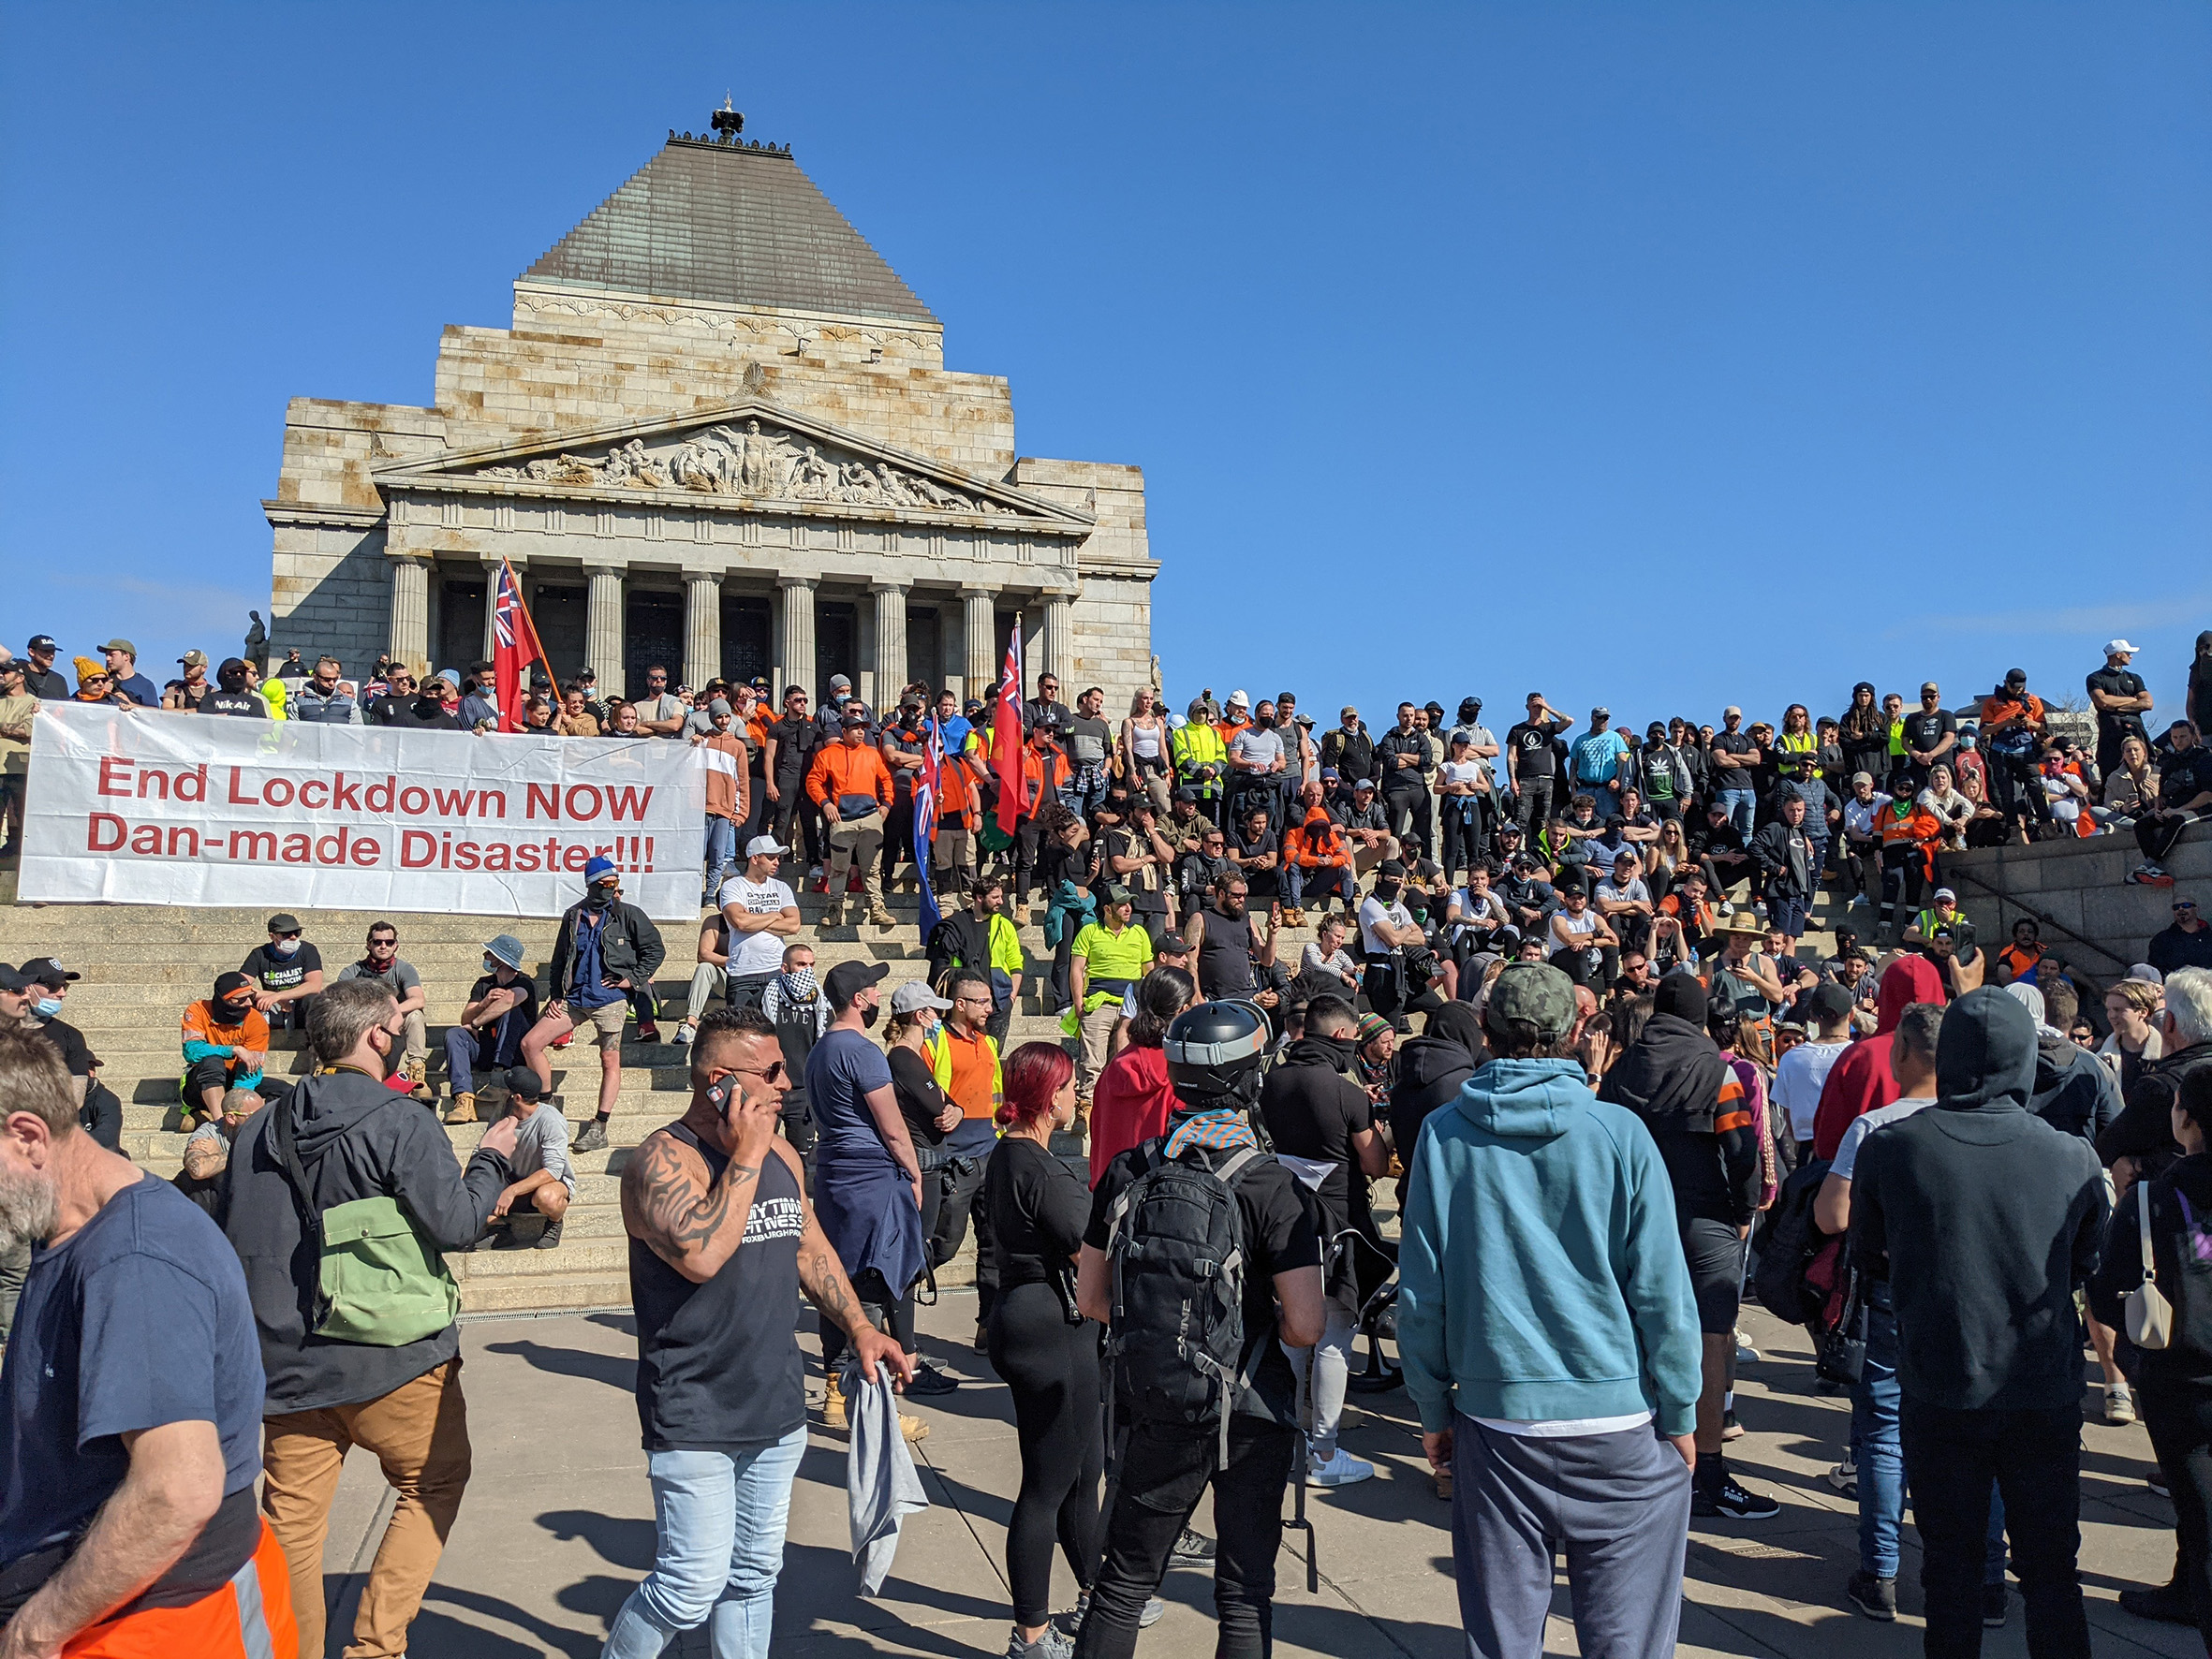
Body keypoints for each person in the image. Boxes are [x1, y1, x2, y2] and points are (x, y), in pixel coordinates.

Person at [1395, 962, 1700, 1659]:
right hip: (1619, 1416)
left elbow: (1422, 1296)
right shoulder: (1619, 1133)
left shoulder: (1445, 1135)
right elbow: (1661, 1293)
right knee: (1629, 1639)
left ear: (1488, 1034)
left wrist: (1433, 1412)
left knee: (1502, 1639)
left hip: (1499, 1419)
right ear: (1575, 1033)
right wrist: (1683, 1412)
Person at [220, 978, 521, 1659]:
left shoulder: (261, 1124)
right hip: (394, 1360)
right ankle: (376, 1647)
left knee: (291, 1529)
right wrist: (492, 1159)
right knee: (433, 1481)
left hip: (286, 1366)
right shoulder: (401, 1116)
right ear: (378, 1036)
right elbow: (458, 1223)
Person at [609, 1006, 910, 1659]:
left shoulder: (779, 1153)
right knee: (689, 1586)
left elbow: (806, 1243)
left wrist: (858, 1324)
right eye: (770, 1071)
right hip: (695, 1411)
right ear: (720, 1080)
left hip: (775, 1406)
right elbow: (701, 1255)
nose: (785, 1083)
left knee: (752, 1580)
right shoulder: (659, 1163)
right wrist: (744, 1152)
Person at [0, 1027, 297, 1659]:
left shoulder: (134, 1259)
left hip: (146, 1625)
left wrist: (34, 1634)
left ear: (26, 1136)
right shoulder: (68, 1232)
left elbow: (177, 1488)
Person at [1851, 987, 2104, 1659]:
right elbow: (2085, 1263)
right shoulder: (2071, 1155)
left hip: (1942, 1379)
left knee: (1951, 1572)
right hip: (2042, 1386)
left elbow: (1868, 1254)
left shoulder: (1893, 1148)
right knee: (2053, 1572)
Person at [1072, 1000, 1325, 1658]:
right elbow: (1304, 1325)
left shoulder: (1130, 1170)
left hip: (1158, 1400)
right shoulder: (1274, 1185)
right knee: (1243, 1595)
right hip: (1251, 1406)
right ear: (1250, 1078)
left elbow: (1092, 1298)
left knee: (1123, 1584)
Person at [1598, 973, 1776, 1520]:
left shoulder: (1622, 1069)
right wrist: (1744, 1208)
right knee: (1712, 1339)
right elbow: (1741, 1148)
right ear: (1701, 1016)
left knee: (1637, 1331)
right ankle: (1710, 1473)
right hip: (1704, 1216)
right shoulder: (1715, 1070)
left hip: (1633, 1215)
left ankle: (1640, 1456)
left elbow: (1603, 1134)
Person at [1809, 1003, 1948, 1622]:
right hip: (1970, 1297)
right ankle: (1990, 1579)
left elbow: (1830, 1217)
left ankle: (1881, 1573)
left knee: (1886, 1433)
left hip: (1893, 1290)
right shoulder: (1984, 1120)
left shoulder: (1876, 1128)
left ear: (1905, 1054)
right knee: (1977, 1434)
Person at [984, 1042, 1104, 1657]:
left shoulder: (1011, 1157)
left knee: (1082, 1471)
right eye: (1068, 1086)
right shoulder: (1037, 1166)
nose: (1076, 1094)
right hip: (1052, 1330)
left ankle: (1095, 1594)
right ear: (1047, 1096)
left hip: (1031, 1320)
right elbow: (1093, 1254)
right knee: (1045, 1487)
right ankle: (1030, 1634)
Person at [2088, 1064, 2212, 1650]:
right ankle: (2187, 1587)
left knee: (2196, 1501)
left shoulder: (2148, 1199)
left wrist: (2135, 1363)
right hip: (2180, 1376)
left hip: (2177, 1375)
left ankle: (2197, 1592)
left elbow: (2107, 1295)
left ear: (2184, 1119)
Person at [1259, 993, 1388, 1488]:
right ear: (1340, 1036)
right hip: (1338, 1223)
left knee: (1292, 1330)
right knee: (1334, 1336)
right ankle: (1324, 1452)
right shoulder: (1344, 1092)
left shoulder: (1270, 1080)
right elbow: (1375, 1163)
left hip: (1281, 1217)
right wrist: (1383, 1132)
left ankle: (1286, 1438)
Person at [803, 962, 932, 1439]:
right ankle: (873, 1409)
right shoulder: (862, 1050)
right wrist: (914, 1173)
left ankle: (838, 1390)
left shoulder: (820, 1050)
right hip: (871, 1176)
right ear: (859, 999)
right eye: (873, 990)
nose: (878, 996)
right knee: (873, 1287)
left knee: (837, 1282)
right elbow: (892, 1126)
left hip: (833, 1174)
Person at [524, 857, 667, 1154]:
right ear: (590, 885)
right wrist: (556, 995)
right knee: (530, 1043)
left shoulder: (628, 914)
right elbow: (559, 959)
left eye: (613, 883)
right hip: (574, 998)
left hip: (610, 1000)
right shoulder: (573, 915)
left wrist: (632, 980)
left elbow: (655, 949)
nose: (610, 888)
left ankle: (600, 1126)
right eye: (604, 884)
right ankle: (548, 1107)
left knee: (609, 1061)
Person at [1087, 966, 1194, 1185]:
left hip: (1109, 1195)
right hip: (1156, 1195)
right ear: (1183, 1010)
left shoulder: (1110, 1072)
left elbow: (1097, 1138)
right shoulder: (1179, 1075)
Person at [461, 1066, 574, 1251]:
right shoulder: (502, 1112)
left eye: (507, 1089)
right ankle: (499, 1229)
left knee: (548, 1197)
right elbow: (481, 1152)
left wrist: (512, 1191)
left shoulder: (551, 1120)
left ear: (517, 1097)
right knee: (464, 1177)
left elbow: (553, 1171)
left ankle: (554, 1222)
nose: (503, 1092)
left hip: (543, 1185)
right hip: (509, 1179)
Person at [1069, 885, 1155, 1123]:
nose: (1128, 908)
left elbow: (1148, 971)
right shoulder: (1089, 932)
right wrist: (1078, 1002)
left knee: (1127, 1058)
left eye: (1129, 903)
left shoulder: (1139, 933)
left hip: (1132, 1006)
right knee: (1092, 1060)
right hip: (1099, 1002)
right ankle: (1085, 1107)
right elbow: (1076, 969)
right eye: (1121, 904)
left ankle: (1121, 1108)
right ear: (1107, 908)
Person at [808, 711, 898, 929]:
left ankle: (877, 907)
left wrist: (887, 805)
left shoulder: (872, 753)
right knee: (839, 868)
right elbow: (813, 781)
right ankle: (835, 909)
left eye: (863, 729)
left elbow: (886, 779)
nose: (861, 732)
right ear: (844, 731)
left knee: (872, 868)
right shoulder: (828, 754)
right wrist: (825, 803)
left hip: (870, 816)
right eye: (856, 729)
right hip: (842, 818)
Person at [441, 932, 538, 1123]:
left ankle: (498, 1079)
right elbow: (465, 1019)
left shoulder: (526, 983)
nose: (485, 956)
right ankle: (464, 1100)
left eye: (490, 953)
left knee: (509, 1011)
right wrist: (484, 1003)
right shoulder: (483, 984)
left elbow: (510, 999)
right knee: (455, 1034)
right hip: (487, 1046)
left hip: (515, 1053)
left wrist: (477, 1023)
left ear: (500, 960)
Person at [926, 875, 1025, 1048]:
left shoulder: (1004, 925)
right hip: (964, 1004)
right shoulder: (955, 926)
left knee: (992, 1055)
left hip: (998, 1003)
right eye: (995, 897)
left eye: (1001, 896)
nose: (1001, 902)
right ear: (979, 898)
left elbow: (1016, 964)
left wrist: (1011, 998)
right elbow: (941, 968)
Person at [334, 920, 430, 1094]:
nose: (383, 946)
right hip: (364, 1025)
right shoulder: (351, 972)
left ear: (396, 945)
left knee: (415, 1015)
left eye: (389, 942)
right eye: (378, 942)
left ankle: (417, 1070)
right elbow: (340, 1004)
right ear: (369, 944)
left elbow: (418, 1000)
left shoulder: (403, 969)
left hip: (394, 1023)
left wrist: (387, 1013)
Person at [714, 836, 803, 1012]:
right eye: (771, 857)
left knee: (773, 1031)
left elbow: (793, 925)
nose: (777, 862)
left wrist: (753, 920)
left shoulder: (781, 887)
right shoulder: (733, 886)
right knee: (738, 1032)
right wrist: (774, 915)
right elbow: (739, 921)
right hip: (742, 972)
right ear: (755, 858)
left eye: (778, 858)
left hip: (775, 970)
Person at [1771, 981, 1853, 1160]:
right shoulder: (1859, 1055)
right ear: (1852, 1015)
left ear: (1812, 1016)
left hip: (1808, 1151)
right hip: (1850, 1150)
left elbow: (1788, 1116)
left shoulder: (1790, 1059)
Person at [181, 970, 273, 1124]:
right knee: (213, 1062)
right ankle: (220, 1124)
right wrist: (232, 1050)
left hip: (234, 1078)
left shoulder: (256, 1020)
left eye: (251, 997)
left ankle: (227, 1117)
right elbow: (191, 1051)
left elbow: (250, 1070)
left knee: (283, 1091)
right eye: (241, 999)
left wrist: (235, 1101)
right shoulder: (197, 1010)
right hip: (200, 1082)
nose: (249, 1003)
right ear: (223, 1000)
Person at [240, 912, 324, 1033]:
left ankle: (312, 1043)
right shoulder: (259, 954)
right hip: (271, 1005)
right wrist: (271, 996)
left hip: (300, 1005)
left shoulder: (308, 950)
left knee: (314, 1000)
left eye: (297, 932)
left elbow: (314, 986)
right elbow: (240, 987)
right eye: (286, 934)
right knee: (240, 1001)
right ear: (272, 936)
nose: (293, 937)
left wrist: (279, 995)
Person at [2151, 895, 2212, 978]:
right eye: (2176, 907)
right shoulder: (2162, 940)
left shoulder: (2209, 936)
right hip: (2177, 988)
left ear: (2196, 909)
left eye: (2186, 905)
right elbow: (2157, 969)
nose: (2180, 909)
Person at [96, 637, 161, 708]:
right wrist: (102, 693)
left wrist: (130, 704)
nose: (107, 659)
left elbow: (154, 712)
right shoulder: (101, 681)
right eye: (106, 655)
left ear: (126, 657)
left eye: (112, 655)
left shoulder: (145, 684)